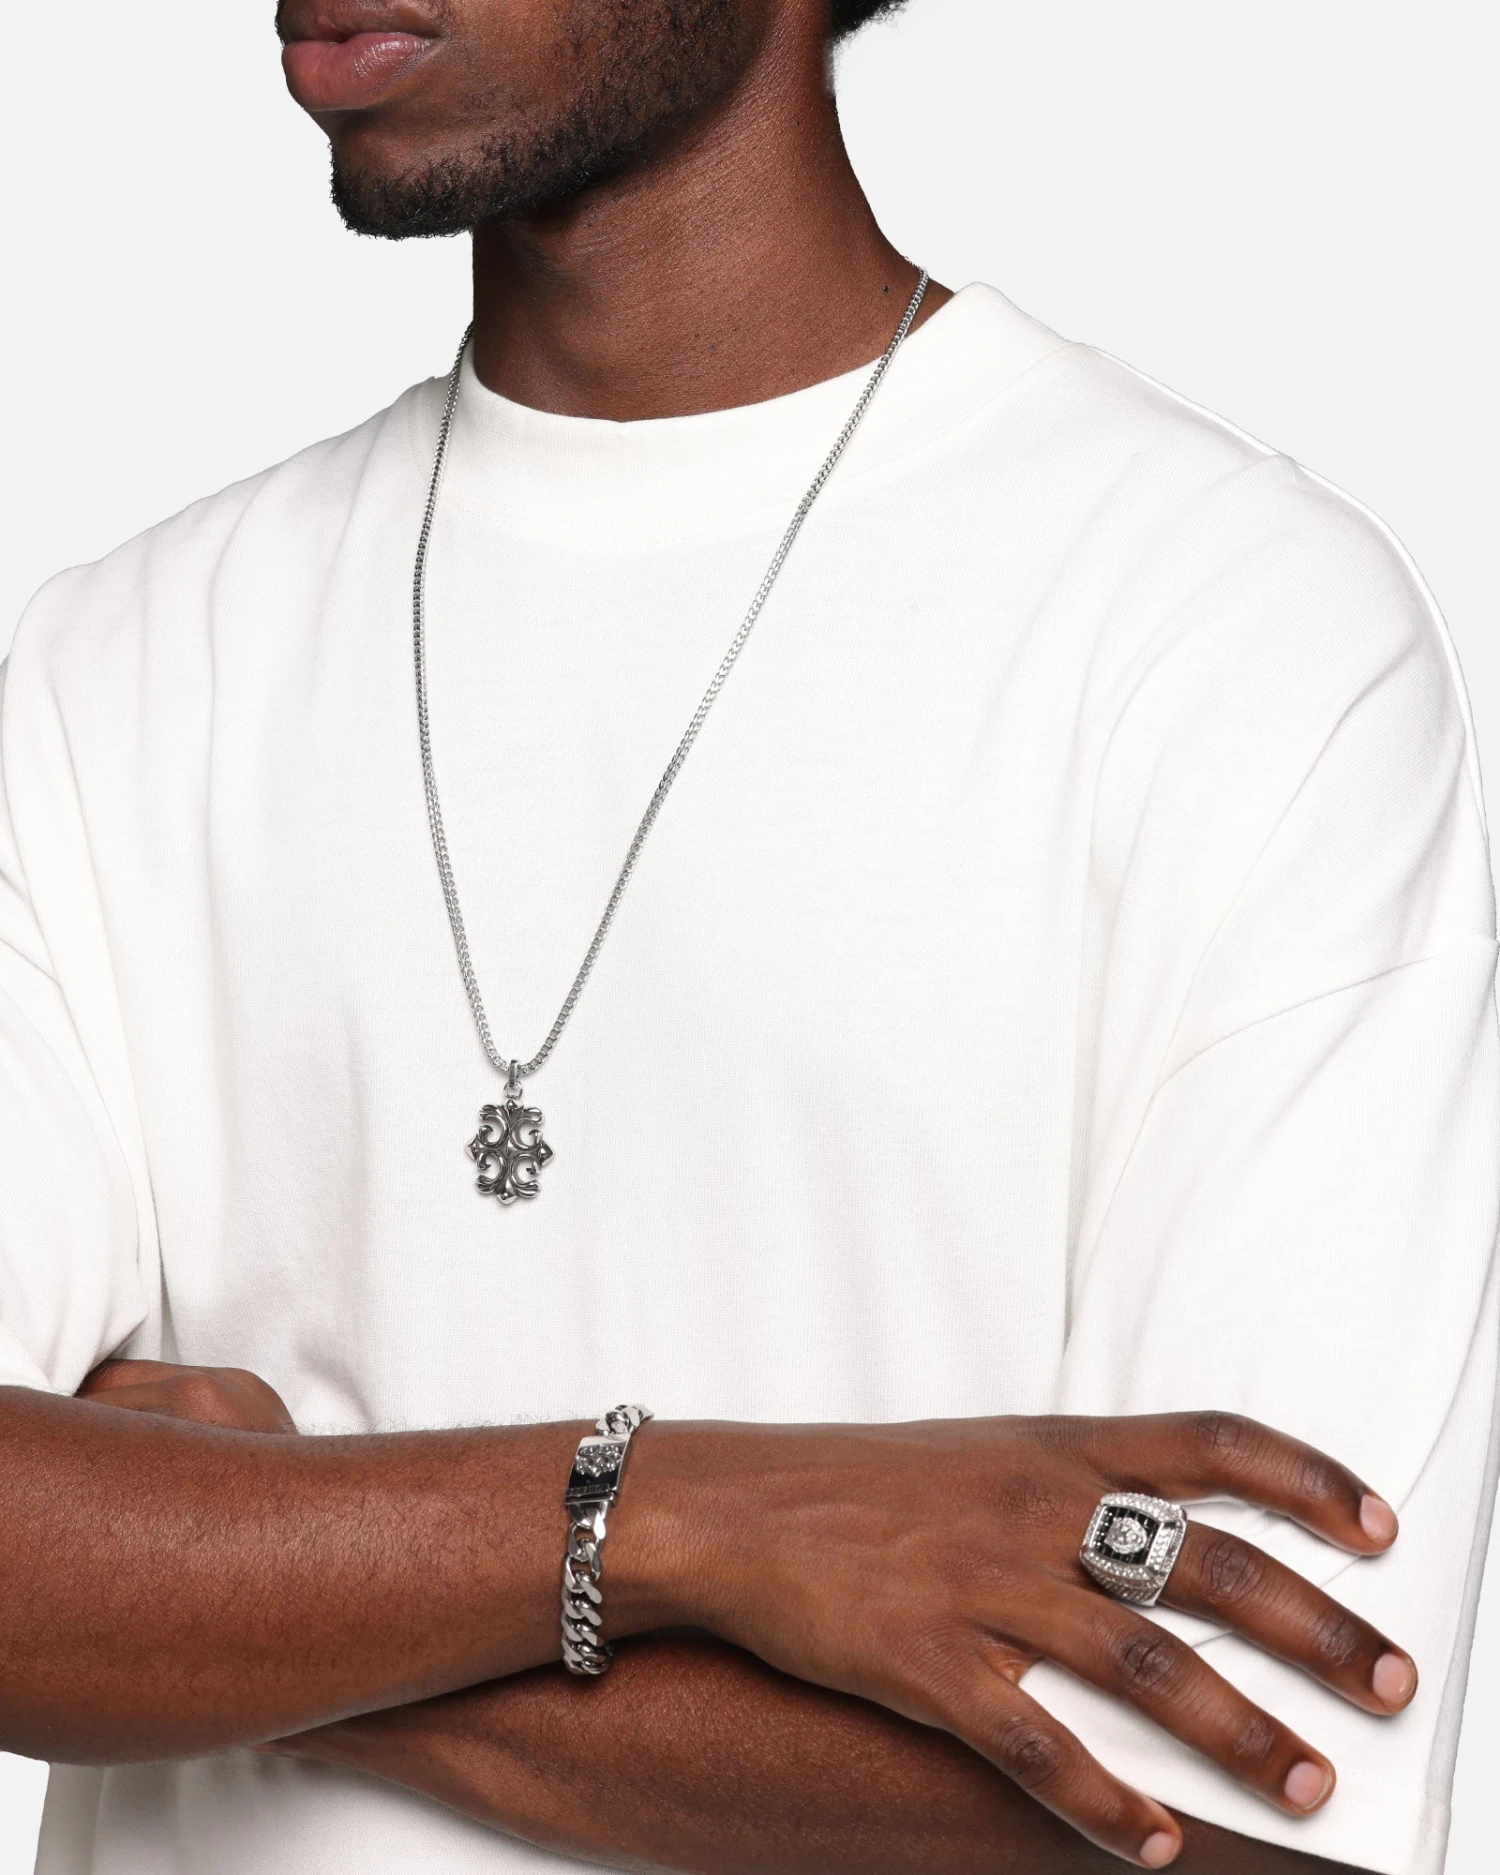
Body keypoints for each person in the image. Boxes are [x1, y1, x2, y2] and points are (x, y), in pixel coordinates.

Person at [1, 2, 1494, 1873]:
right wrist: (682, 1518)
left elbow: (1243, 1822)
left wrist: (231, 1579)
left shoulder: (1235, 642)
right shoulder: (115, 666)